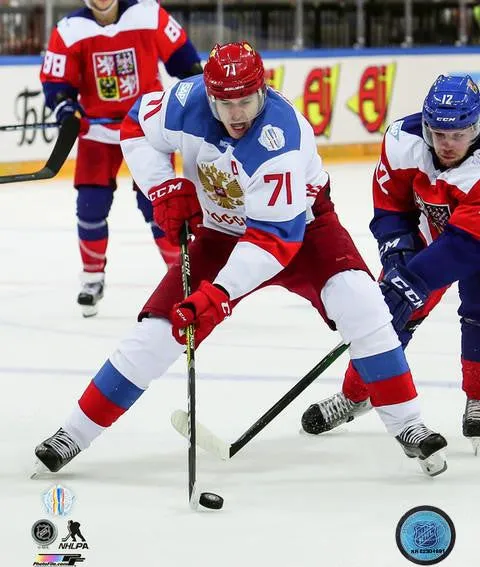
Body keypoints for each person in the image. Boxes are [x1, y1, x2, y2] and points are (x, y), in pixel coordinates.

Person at [33, 41, 447, 479]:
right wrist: (162, 188)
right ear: (209, 94)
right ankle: (73, 433)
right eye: (225, 102)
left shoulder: (281, 139)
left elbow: (274, 241)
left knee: (362, 303)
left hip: (303, 233)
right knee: (158, 330)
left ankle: (409, 424)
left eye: (246, 100)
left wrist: (220, 294)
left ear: (263, 91)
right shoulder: (184, 102)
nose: (236, 113)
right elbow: (135, 125)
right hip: (219, 234)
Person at [302, 74, 480, 455]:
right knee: (384, 319)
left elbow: (464, 245)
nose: (447, 145)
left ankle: (479, 397)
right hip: (430, 235)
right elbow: (391, 205)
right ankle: (356, 395)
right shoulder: (404, 139)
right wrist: (397, 255)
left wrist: (413, 280)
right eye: (438, 133)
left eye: (458, 135)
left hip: (471, 242)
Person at [40, 0, 202, 317]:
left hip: (145, 127)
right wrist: (66, 108)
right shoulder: (69, 30)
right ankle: (92, 279)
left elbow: (184, 62)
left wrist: (196, 89)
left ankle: (183, 281)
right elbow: (57, 84)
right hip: (98, 135)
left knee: (160, 205)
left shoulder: (148, 14)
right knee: (90, 206)